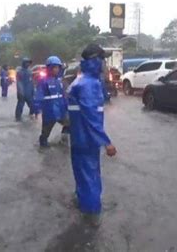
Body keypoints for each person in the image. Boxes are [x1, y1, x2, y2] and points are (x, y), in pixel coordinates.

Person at [67, 44, 117, 226]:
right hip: (88, 141)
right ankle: (91, 219)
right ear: (95, 61)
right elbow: (92, 118)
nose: (105, 64)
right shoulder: (90, 85)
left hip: (78, 139)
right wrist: (107, 142)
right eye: (103, 60)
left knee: (82, 177)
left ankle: (83, 207)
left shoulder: (79, 81)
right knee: (90, 180)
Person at [35, 56, 69, 148]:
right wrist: (37, 109)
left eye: (57, 67)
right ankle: (43, 143)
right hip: (49, 111)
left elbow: (64, 94)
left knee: (69, 123)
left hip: (61, 109)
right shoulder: (43, 81)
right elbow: (39, 95)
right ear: (49, 68)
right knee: (46, 132)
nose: (56, 69)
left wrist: (67, 106)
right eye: (54, 67)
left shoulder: (60, 80)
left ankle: (64, 138)